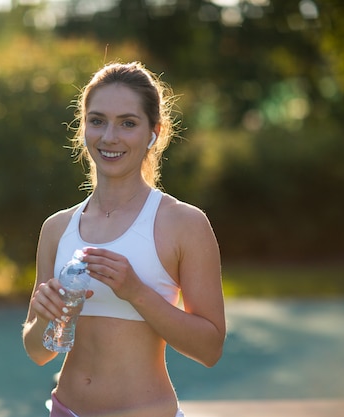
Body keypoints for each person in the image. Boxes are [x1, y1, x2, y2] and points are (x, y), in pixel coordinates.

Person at [23, 61, 226, 417]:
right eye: (97, 120)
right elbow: (38, 351)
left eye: (127, 123)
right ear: (83, 126)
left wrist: (136, 292)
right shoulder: (56, 228)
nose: (109, 137)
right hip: (64, 410)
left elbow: (209, 349)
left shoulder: (184, 223)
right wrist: (44, 317)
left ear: (154, 132)